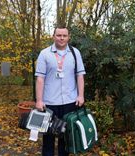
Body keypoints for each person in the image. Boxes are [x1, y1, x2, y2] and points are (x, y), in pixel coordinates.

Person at [35, 26, 86, 156]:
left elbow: (80, 76)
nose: (61, 38)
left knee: (66, 138)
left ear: (68, 37)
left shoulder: (75, 53)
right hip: (49, 103)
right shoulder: (44, 54)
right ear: (53, 36)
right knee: (48, 138)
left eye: (64, 35)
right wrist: (39, 100)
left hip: (70, 102)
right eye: (59, 35)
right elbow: (40, 78)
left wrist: (81, 96)